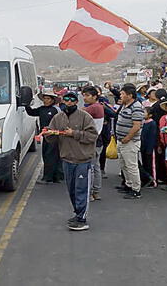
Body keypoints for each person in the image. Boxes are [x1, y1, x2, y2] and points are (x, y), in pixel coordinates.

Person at [43, 92, 98, 231]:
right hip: (67, 159)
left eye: (72, 100)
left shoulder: (85, 116)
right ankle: (77, 213)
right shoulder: (58, 117)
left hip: (83, 160)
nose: (68, 102)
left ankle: (82, 219)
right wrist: (48, 134)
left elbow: (92, 136)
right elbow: (52, 136)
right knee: (71, 189)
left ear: (76, 102)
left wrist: (74, 133)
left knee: (81, 189)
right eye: (66, 100)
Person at [114, 84, 145, 199]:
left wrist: (128, 137)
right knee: (124, 164)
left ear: (130, 95)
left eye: (122, 94)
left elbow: (136, 126)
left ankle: (136, 190)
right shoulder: (125, 105)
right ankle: (128, 184)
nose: (120, 96)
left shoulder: (136, 107)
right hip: (121, 140)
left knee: (131, 166)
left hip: (130, 142)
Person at [26, 91, 62, 184]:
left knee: (51, 156)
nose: (46, 100)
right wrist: (25, 104)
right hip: (45, 136)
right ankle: (55, 177)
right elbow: (31, 112)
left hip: (54, 137)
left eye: (48, 99)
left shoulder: (56, 110)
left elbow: (61, 122)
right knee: (46, 155)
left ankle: (48, 178)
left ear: (53, 100)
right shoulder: (42, 109)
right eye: (45, 98)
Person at [82, 86, 104, 201]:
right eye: (83, 95)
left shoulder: (94, 107)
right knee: (96, 167)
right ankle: (96, 191)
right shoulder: (98, 106)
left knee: (90, 167)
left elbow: (78, 113)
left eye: (87, 95)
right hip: (97, 140)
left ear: (95, 96)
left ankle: (90, 192)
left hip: (92, 141)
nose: (84, 98)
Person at [140, 107, 158, 188]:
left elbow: (152, 137)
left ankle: (153, 181)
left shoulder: (152, 123)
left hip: (149, 148)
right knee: (145, 164)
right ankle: (146, 180)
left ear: (150, 115)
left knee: (151, 165)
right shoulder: (144, 123)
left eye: (144, 112)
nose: (142, 114)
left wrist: (150, 148)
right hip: (143, 147)